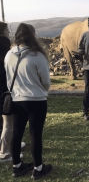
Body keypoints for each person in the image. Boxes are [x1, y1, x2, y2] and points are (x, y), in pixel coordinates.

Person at [4, 23, 52, 179]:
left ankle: (17, 166)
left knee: (17, 133)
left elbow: (8, 78)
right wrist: (42, 89)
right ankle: (38, 168)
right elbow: (46, 81)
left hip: (17, 99)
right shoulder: (37, 56)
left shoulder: (9, 54)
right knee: (35, 135)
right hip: (36, 100)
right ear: (33, 36)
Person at [0, 22, 26, 162]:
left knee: (8, 122)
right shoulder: (4, 44)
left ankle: (10, 144)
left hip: (4, 89)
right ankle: (4, 153)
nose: (8, 33)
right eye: (6, 30)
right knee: (8, 122)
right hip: (5, 91)